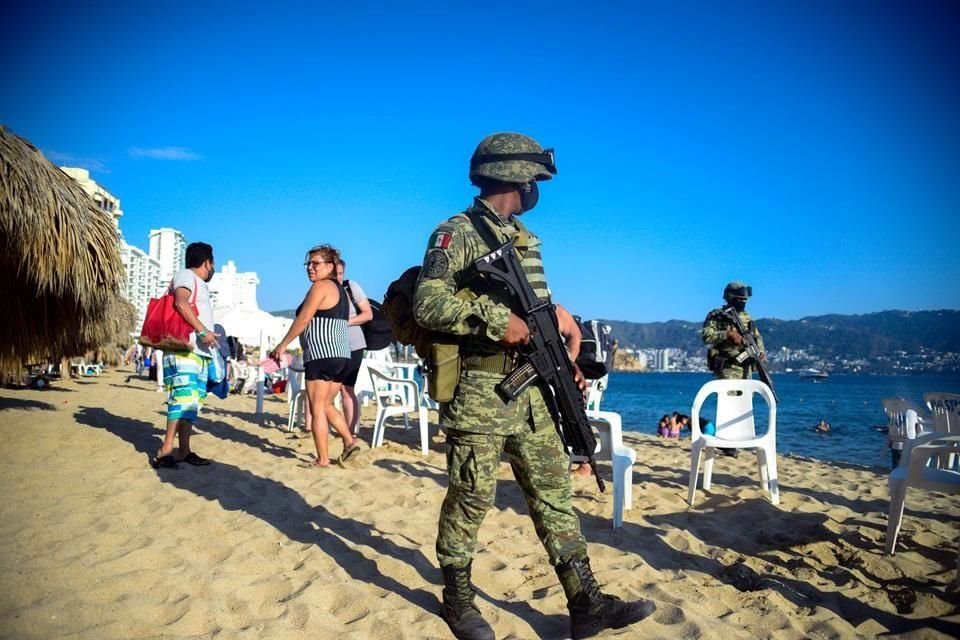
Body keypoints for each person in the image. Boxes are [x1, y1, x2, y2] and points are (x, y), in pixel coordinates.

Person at [414, 132, 655, 640]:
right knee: (471, 497)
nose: (536, 190)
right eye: (535, 180)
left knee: (554, 497)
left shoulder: (524, 238)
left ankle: (585, 601)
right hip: (480, 391)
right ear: (519, 179)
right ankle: (458, 601)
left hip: (532, 391)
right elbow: (427, 304)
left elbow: (532, 305)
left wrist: (557, 331)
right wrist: (494, 319)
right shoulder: (455, 233)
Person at [269, 244, 362, 468]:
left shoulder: (321, 286)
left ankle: (322, 459)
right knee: (327, 404)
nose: (310, 267)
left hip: (322, 354)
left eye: (315, 263)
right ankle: (350, 442)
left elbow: (303, 319)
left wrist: (282, 344)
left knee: (317, 408)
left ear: (330, 266)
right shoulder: (339, 290)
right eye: (308, 263)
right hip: (341, 354)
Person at [151, 242, 220, 469]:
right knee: (182, 398)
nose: (213, 268)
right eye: (213, 263)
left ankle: (184, 450)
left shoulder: (196, 281)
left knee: (192, 403)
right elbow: (181, 302)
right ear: (206, 262)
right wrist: (202, 331)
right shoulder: (186, 276)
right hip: (184, 349)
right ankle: (166, 449)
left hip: (197, 352)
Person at [702, 282, 767, 458]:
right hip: (728, 366)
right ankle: (726, 442)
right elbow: (706, 336)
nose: (742, 303)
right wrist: (727, 335)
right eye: (739, 299)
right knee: (728, 403)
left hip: (746, 368)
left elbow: (757, 338)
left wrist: (760, 352)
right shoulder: (716, 316)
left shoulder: (747, 317)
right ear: (730, 298)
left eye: (744, 300)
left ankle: (739, 439)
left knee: (744, 403)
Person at [337, 259, 373, 436]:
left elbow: (368, 314)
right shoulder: (320, 290)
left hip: (354, 344)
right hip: (331, 346)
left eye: (340, 273)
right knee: (328, 389)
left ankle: (350, 431)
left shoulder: (351, 287)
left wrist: (345, 322)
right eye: (334, 273)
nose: (337, 277)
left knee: (347, 388)